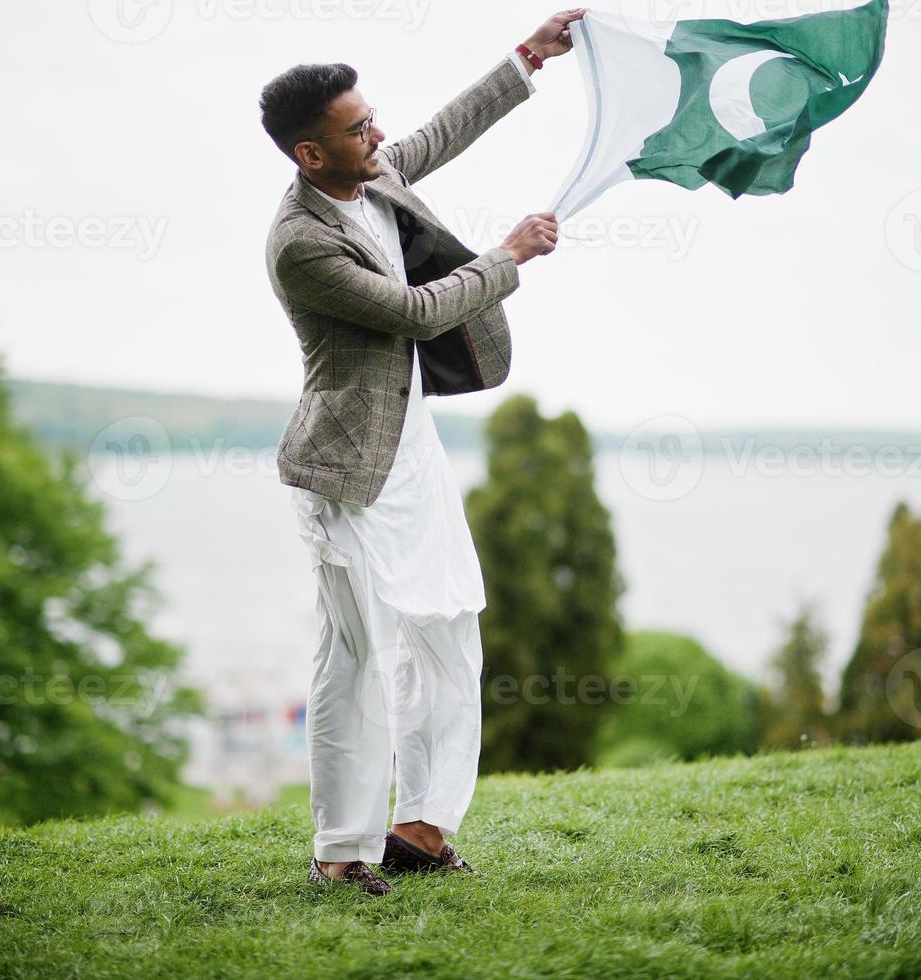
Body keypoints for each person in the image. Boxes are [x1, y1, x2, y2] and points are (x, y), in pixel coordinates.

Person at [260, 10, 583, 896]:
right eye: (356, 129)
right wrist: (508, 255)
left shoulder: (372, 171)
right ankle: (341, 850)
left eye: (371, 119)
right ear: (308, 155)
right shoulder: (299, 242)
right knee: (357, 657)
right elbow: (412, 315)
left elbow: (442, 129)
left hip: (411, 451)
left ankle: (422, 827)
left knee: (447, 631)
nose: (378, 136)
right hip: (343, 474)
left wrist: (528, 58)